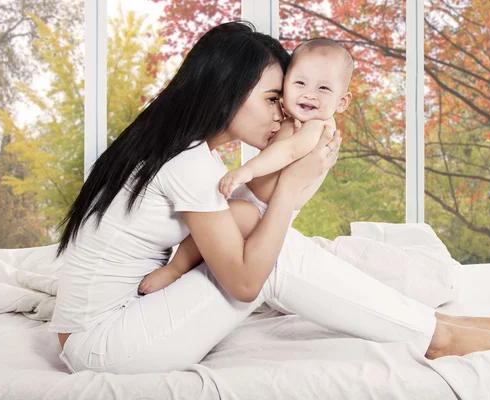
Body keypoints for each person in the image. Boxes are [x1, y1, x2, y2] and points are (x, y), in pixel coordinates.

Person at [49, 21, 490, 375]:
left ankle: (431, 323)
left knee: (262, 231)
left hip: (104, 331)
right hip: (107, 346)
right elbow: (244, 283)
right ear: (226, 95)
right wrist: (290, 193)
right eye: (272, 99)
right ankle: (437, 336)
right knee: (273, 257)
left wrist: (297, 172)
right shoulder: (188, 162)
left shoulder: (179, 147)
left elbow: (251, 207)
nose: (283, 114)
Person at [138, 38, 353, 295]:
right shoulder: (292, 119)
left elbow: (288, 151)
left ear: (342, 101)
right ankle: (183, 270)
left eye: (324, 89)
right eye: (300, 83)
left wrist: (247, 170)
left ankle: (174, 269)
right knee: (216, 230)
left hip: (262, 210)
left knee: (230, 218)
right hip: (255, 201)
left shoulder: (317, 126)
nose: (309, 94)